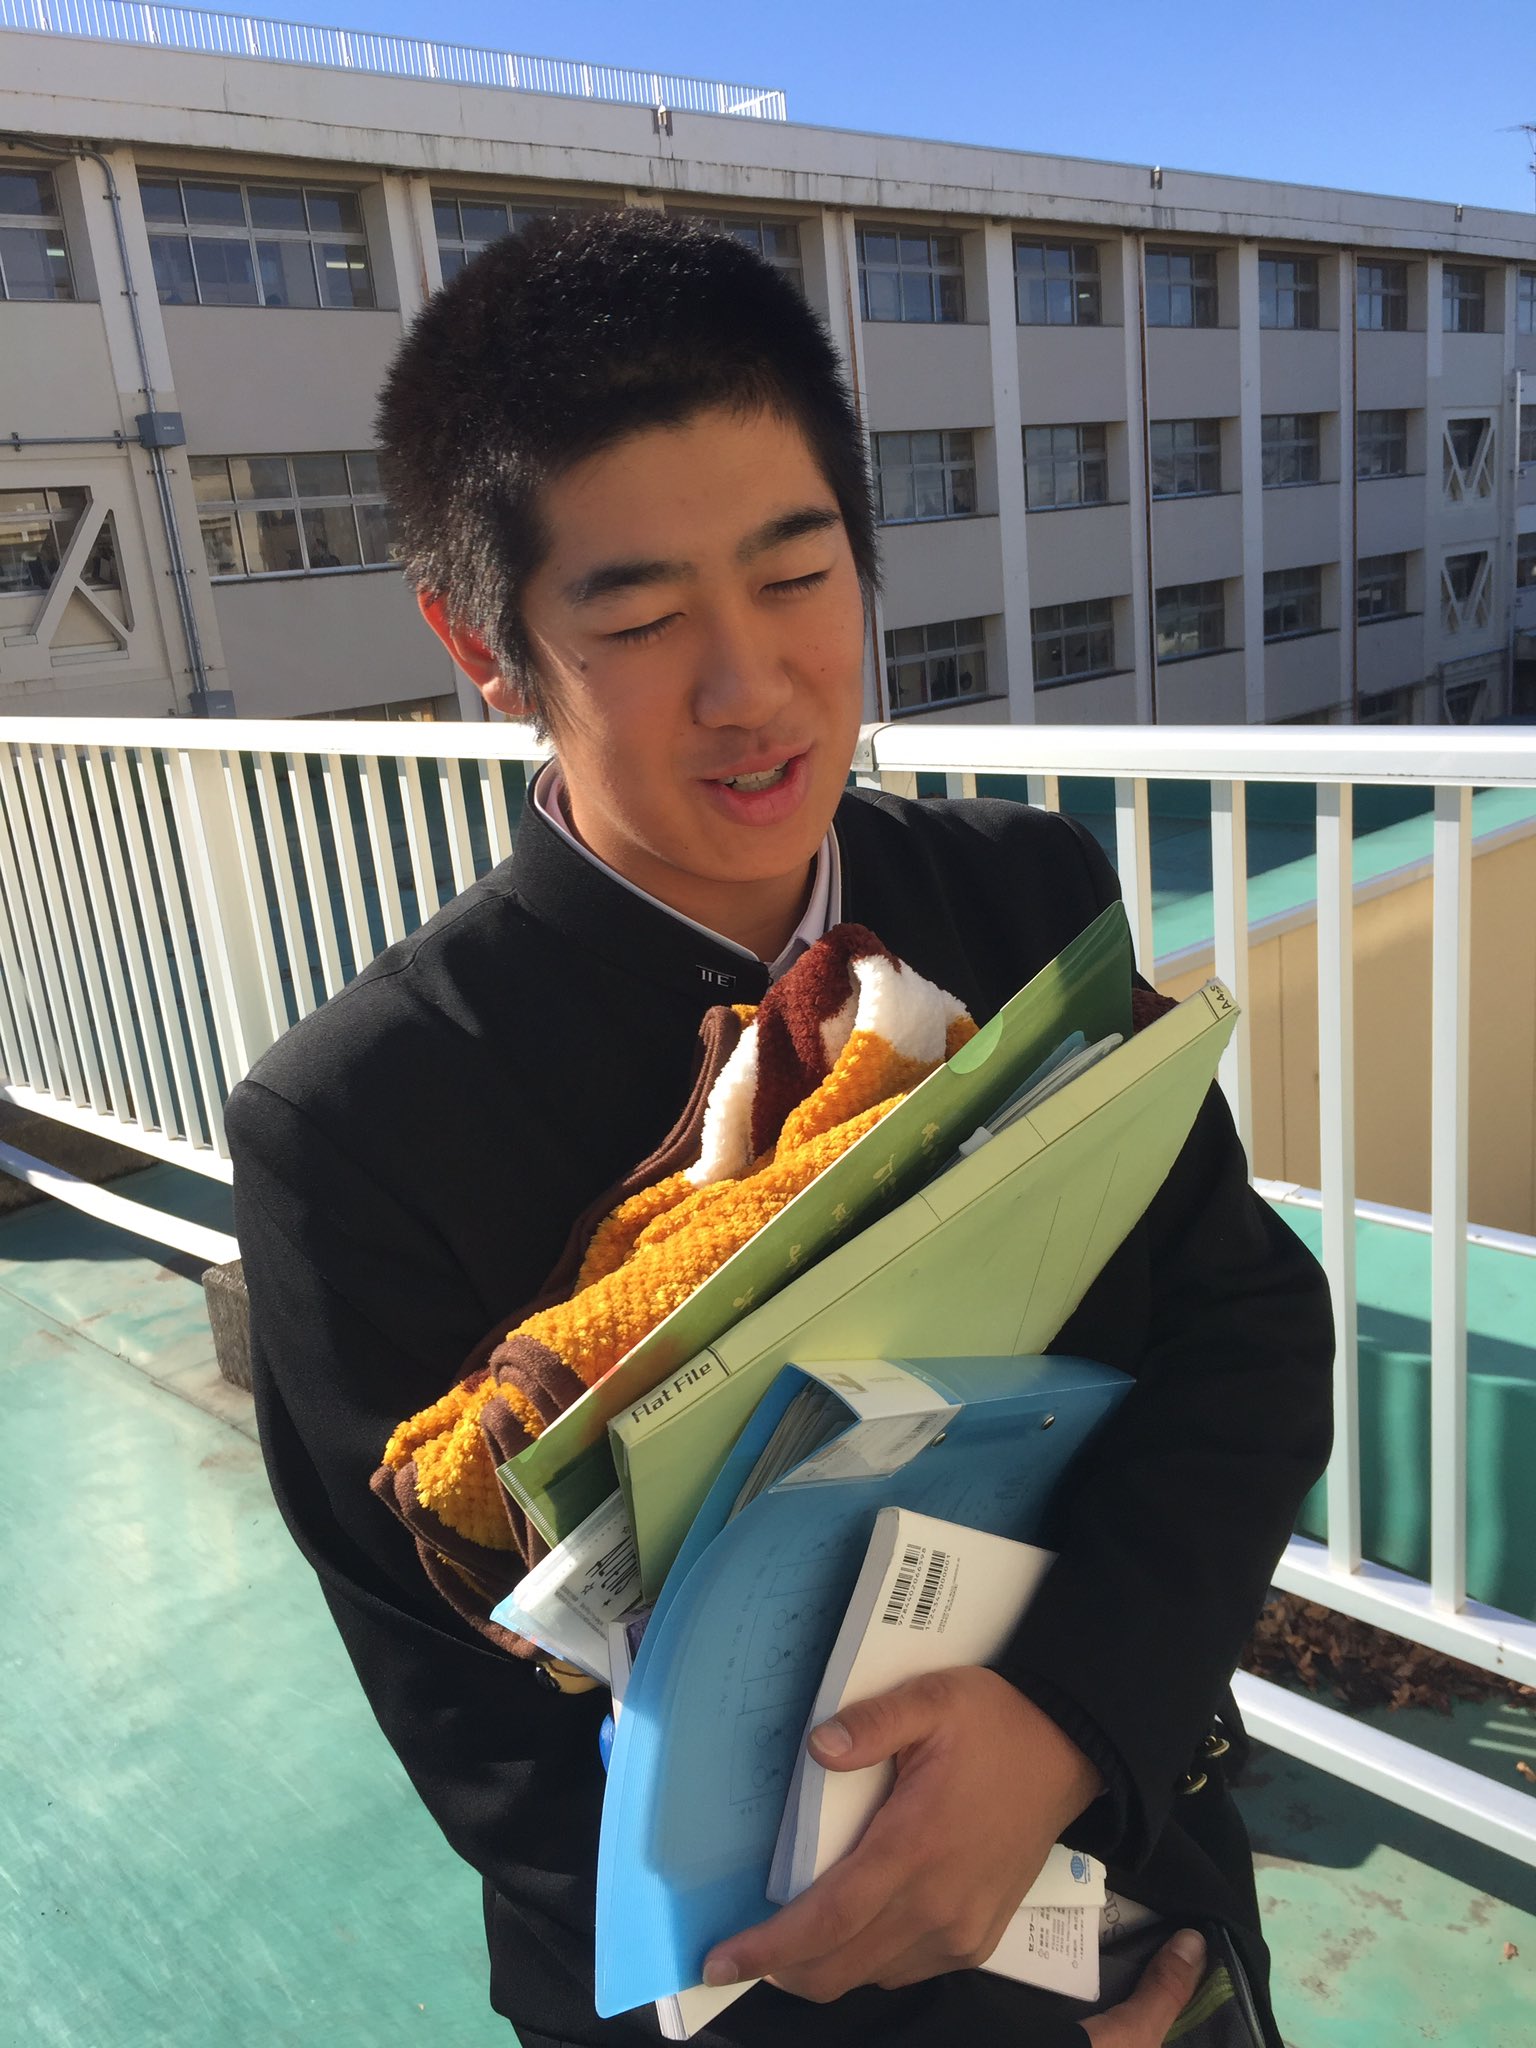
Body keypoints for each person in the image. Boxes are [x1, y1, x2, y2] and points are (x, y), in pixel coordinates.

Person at [226, 211, 1333, 2048]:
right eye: (640, 619)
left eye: (799, 573)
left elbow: (1245, 1329)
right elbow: (501, 1757)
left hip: (1140, 1867)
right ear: (482, 642)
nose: (751, 688)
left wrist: (1066, 1730)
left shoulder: (1022, 890)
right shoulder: (362, 1123)